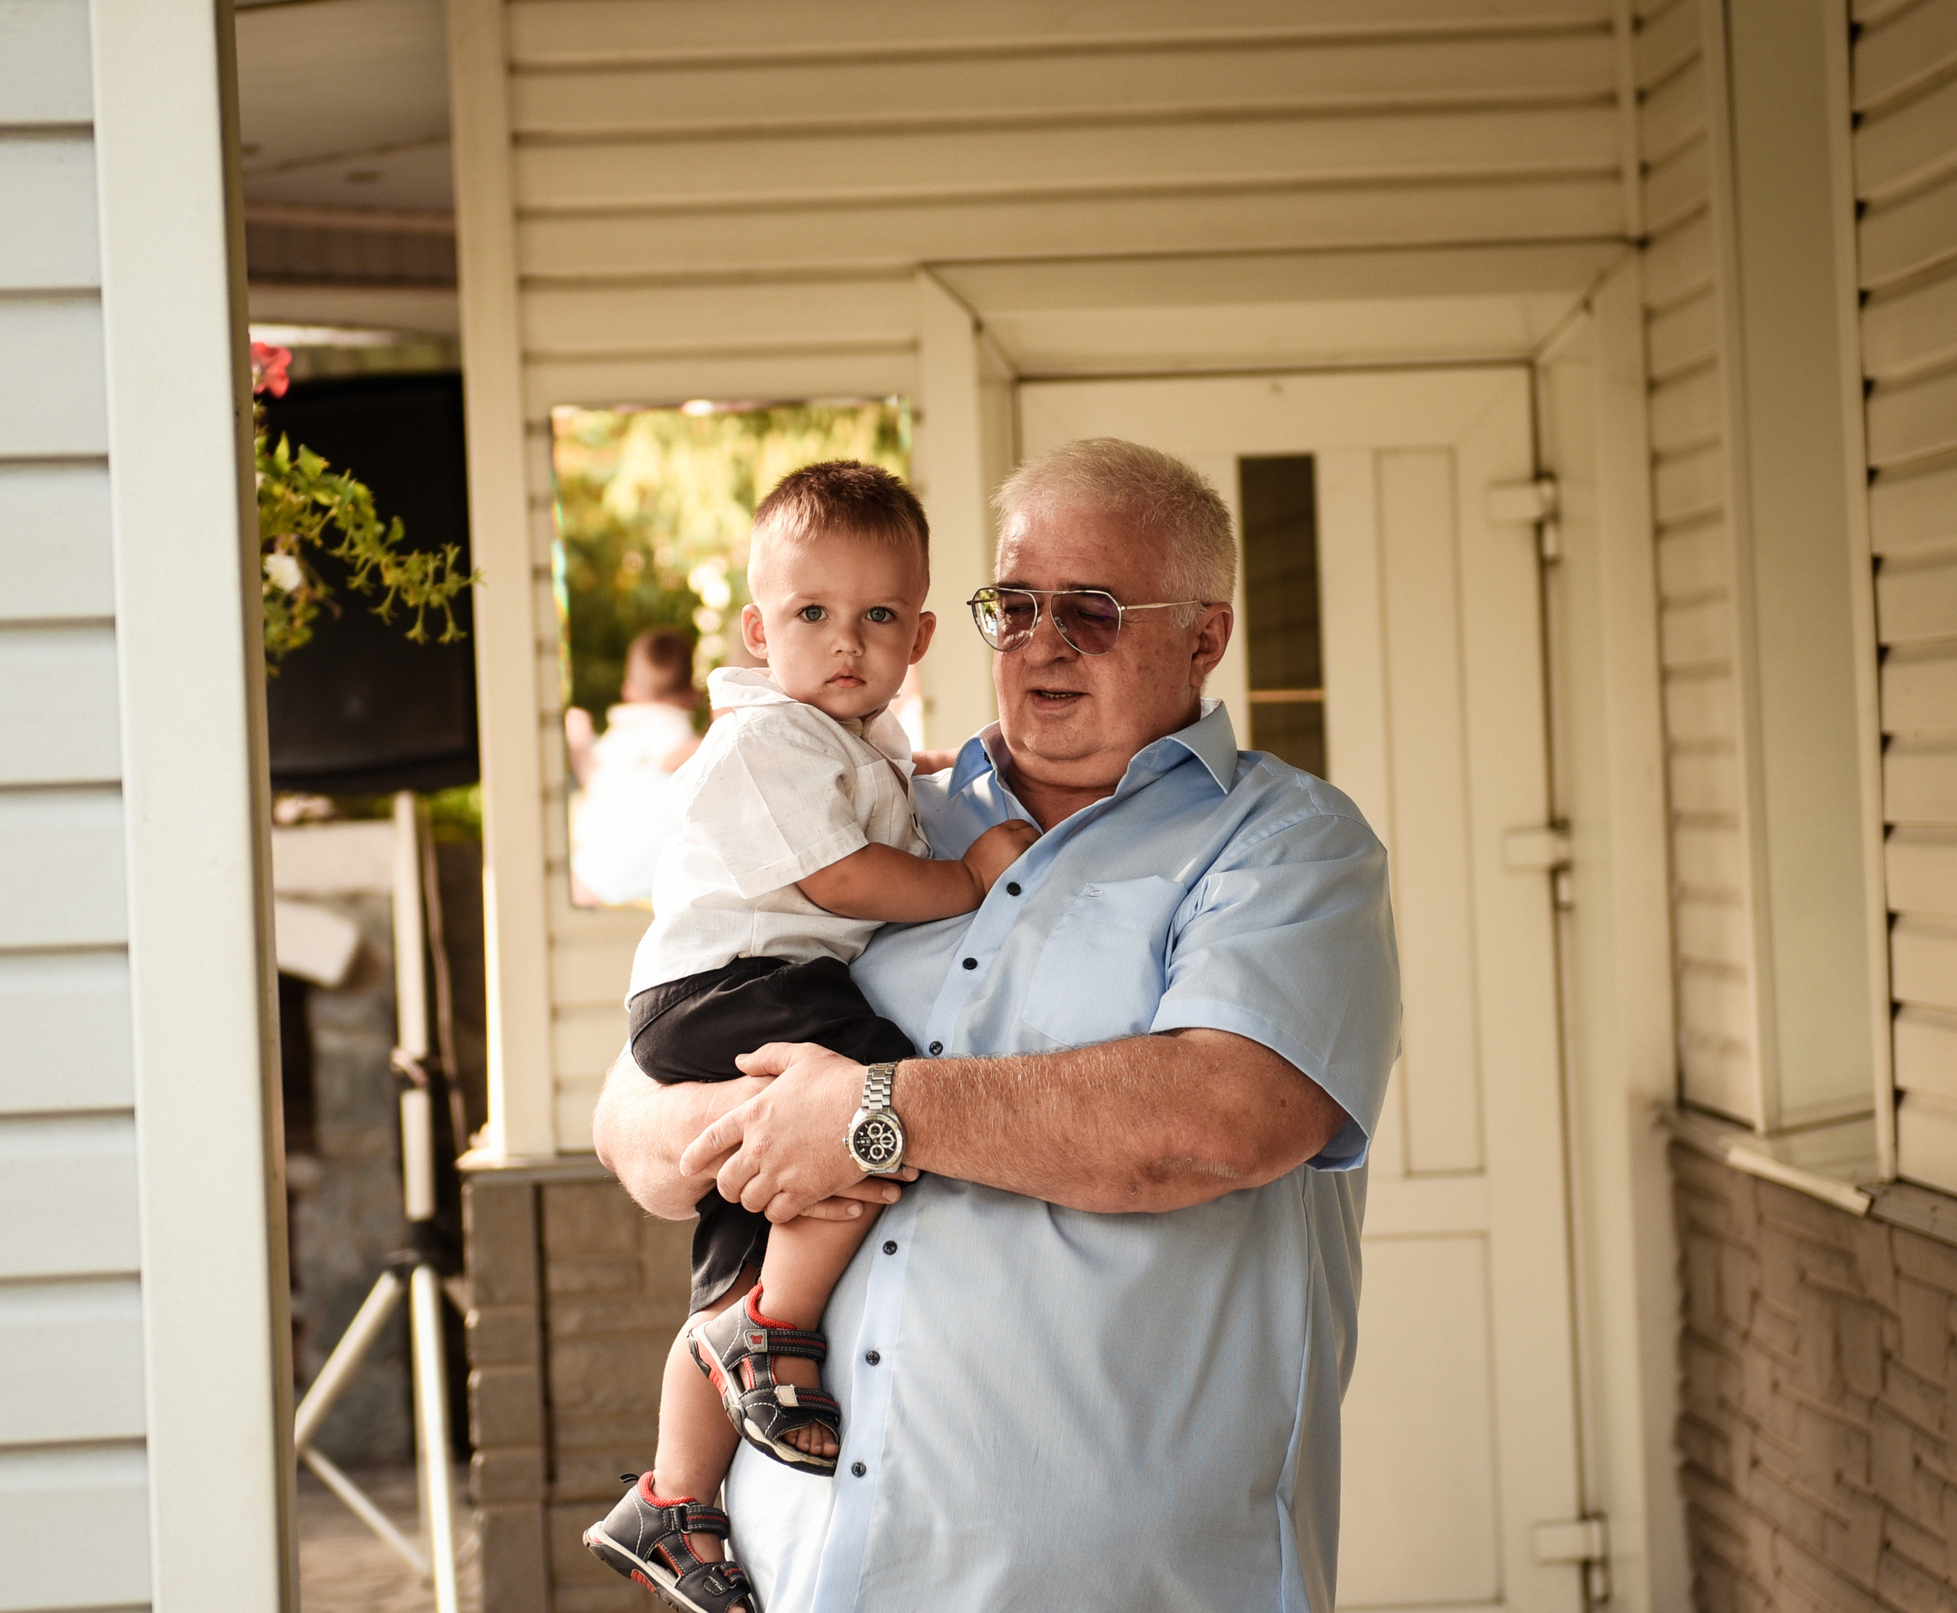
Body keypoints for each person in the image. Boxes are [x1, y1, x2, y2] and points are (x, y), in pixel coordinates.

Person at [590, 437, 1402, 1613]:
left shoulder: (1288, 845)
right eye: (1013, 604)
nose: (1041, 639)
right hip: (797, 1573)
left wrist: (869, 1113)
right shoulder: (883, 815)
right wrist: (730, 1128)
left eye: (1094, 608)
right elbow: (630, 1111)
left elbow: (1222, 1118)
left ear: (1206, 636)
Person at [581, 463, 1036, 1613]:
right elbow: (838, 874)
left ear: (921, 630)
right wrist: (967, 876)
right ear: (756, 628)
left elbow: (874, 790)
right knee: (872, 1100)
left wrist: (924, 772)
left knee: (752, 1232)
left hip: (739, 991)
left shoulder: (852, 737)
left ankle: (673, 1496)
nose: (847, 640)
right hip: (732, 985)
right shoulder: (766, 738)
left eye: (879, 615)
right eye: (812, 614)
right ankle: (768, 1332)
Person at [569, 627, 704, 906]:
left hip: (592, 863)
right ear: (692, 694)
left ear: (628, 691)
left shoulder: (620, 733)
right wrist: (722, 735)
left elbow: (594, 778)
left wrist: (580, 747)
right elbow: (670, 755)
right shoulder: (669, 725)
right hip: (620, 872)